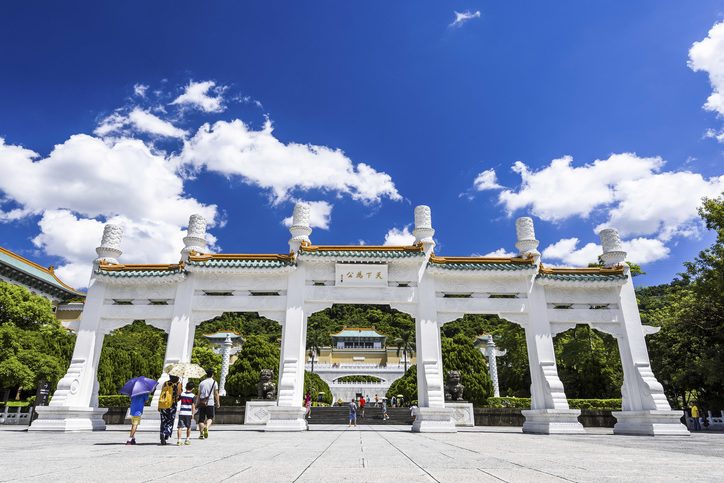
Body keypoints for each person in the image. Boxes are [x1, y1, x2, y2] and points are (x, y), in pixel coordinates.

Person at [197, 368, 220, 439]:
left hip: (202, 403)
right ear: (212, 374)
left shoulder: (202, 383)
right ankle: (206, 427)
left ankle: (201, 434)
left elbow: (199, 394)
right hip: (210, 402)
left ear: (206, 374)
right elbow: (216, 394)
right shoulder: (214, 382)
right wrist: (218, 402)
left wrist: (197, 403)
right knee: (210, 417)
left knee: (201, 419)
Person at [158, 375, 182, 445]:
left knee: (163, 420)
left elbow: (162, 394)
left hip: (164, 404)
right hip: (172, 405)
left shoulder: (165, 383)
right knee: (170, 420)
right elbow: (178, 396)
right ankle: (166, 434)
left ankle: (162, 432)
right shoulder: (178, 384)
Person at [177, 381, 196, 446]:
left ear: (186, 387)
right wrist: (193, 414)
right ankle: (187, 439)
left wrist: (180, 391)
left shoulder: (182, 394)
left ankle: (179, 440)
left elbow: (177, 399)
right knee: (188, 427)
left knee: (180, 427)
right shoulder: (193, 396)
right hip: (188, 413)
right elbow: (193, 406)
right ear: (193, 388)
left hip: (182, 412)